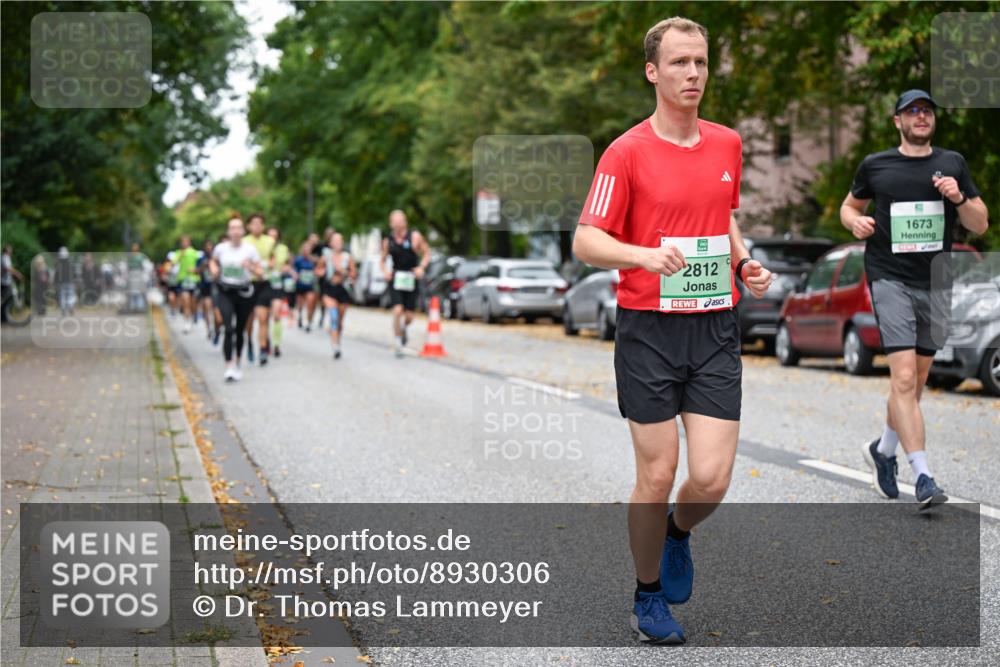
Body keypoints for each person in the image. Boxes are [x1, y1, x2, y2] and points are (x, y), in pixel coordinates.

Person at [571, 17, 772, 644]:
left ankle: (677, 532)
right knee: (657, 475)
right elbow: (586, 239)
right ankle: (647, 596)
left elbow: (724, 218)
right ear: (653, 72)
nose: (693, 75)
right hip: (648, 331)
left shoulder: (728, 144)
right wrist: (641, 256)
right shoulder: (625, 152)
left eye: (702, 63)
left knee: (711, 478)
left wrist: (742, 263)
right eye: (680, 63)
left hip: (713, 325)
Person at [841, 89, 988, 509]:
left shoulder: (951, 163)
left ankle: (884, 450)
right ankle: (923, 476)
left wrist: (958, 197)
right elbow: (848, 208)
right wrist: (856, 222)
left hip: (937, 280)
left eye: (926, 111)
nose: (921, 116)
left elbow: (979, 223)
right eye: (912, 111)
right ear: (898, 121)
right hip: (890, 277)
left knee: (918, 379)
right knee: (903, 378)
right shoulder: (877, 165)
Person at [210, 217, 262, 382]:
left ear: (243, 231)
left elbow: (261, 273)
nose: (235, 231)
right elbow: (213, 261)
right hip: (226, 291)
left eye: (238, 228)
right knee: (228, 328)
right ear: (228, 232)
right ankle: (228, 366)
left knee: (240, 330)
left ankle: (238, 361)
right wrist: (214, 270)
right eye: (232, 228)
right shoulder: (221, 249)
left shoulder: (250, 250)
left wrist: (251, 267)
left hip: (244, 292)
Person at [380, 210, 430, 357]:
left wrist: (421, 267)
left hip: (411, 278)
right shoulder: (388, 241)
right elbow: (382, 260)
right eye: (394, 221)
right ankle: (398, 343)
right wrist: (385, 271)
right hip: (396, 278)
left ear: (405, 222)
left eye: (400, 220)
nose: (397, 223)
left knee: (409, 316)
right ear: (391, 223)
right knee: (397, 310)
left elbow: (427, 253)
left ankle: (403, 328)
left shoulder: (414, 236)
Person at [318, 232, 357, 359]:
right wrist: (322, 272)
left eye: (340, 241)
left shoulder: (347, 257)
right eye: (335, 241)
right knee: (334, 317)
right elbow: (318, 270)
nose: (337, 243)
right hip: (330, 289)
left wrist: (343, 271)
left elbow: (354, 274)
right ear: (331, 243)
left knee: (339, 321)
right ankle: (335, 347)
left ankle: (337, 341)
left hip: (343, 290)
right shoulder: (326, 257)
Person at [266, 227, 291, 358]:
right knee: (264, 317)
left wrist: (286, 268)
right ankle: (265, 341)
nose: (272, 239)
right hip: (263, 285)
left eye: (274, 237)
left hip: (277, 285)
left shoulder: (283, 249)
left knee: (276, 315)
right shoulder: (261, 248)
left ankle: (276, 344)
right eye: (270, 236)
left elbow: (287, 264)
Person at [173, 236, 201, 334]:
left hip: (193, 280)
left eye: (186, 241)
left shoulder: (195, 253)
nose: (184, 243)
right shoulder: (178, 252)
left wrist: (196, 270)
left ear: (189, 242)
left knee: (193, 302)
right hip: (183, 280)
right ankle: (187, 322)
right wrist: (181, 254)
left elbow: (200, 266)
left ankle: (193, 315)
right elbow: (173, 263)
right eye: (183, 242)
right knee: (186, 301)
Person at [197, 239, 221, 343]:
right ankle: (209, 328)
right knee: (207, 307)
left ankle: (217, 329)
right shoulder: (201, 258)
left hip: (216, 286)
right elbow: (197, 270)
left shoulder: (218, 257)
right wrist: (203, 266)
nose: (209, 249)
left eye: (211, 247)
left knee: (217, 312)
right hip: (205, 286)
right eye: (207, 247)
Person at [293, 240, 318, 331]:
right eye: (305, 249)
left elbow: (318, 270)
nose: (307, 251)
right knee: (300, 303)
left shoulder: (313, 260)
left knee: (310, 302)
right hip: (300, 285)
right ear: (302, 250)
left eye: (309, 249)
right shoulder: (298, 259)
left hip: (310, 285)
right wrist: (296, 275)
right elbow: (293, 269)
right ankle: (300, 316)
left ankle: (309, 323)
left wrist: (315, 273)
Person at [55, 247, 76, 317]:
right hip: (70, 282)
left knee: (62, 296)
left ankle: (63, 308)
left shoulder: (58, 264)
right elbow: (74, 273)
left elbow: (57, 274)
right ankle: (70, 306)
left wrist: (55, 282)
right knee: (70, 295)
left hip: (62, 282)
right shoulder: (70, 263)